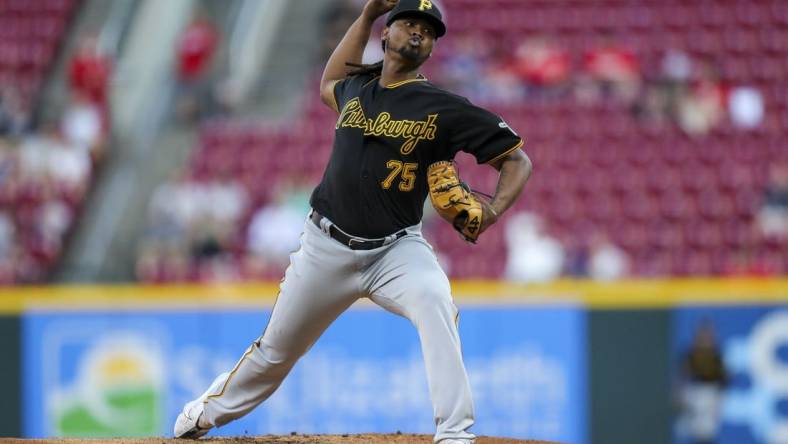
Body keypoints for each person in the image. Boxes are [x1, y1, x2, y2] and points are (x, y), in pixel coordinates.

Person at [173, 1, 532, 443]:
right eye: (408, 23)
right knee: (275, 354)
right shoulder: (355, 89)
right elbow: (328, 82)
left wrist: (492, 211)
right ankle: (205, 414)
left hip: (396, 251)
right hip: (325, 247)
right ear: (387, 34)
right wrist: (365, 16)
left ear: (434, 47)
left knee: (436, 302)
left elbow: (517, 160)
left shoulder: (445, 108)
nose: (418, 32)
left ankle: (455, 433)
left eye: (428, 29)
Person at [676, 321, 728, 444]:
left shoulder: (716, 355)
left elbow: (724, 379)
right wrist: (680, 395)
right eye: (703, 335)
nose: (706, 338)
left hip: (711, 395)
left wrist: (720, 397)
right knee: (693, 431)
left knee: (707, 432)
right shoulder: (691, 354)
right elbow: (682, 377)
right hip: (694, 394)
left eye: (708, 335)